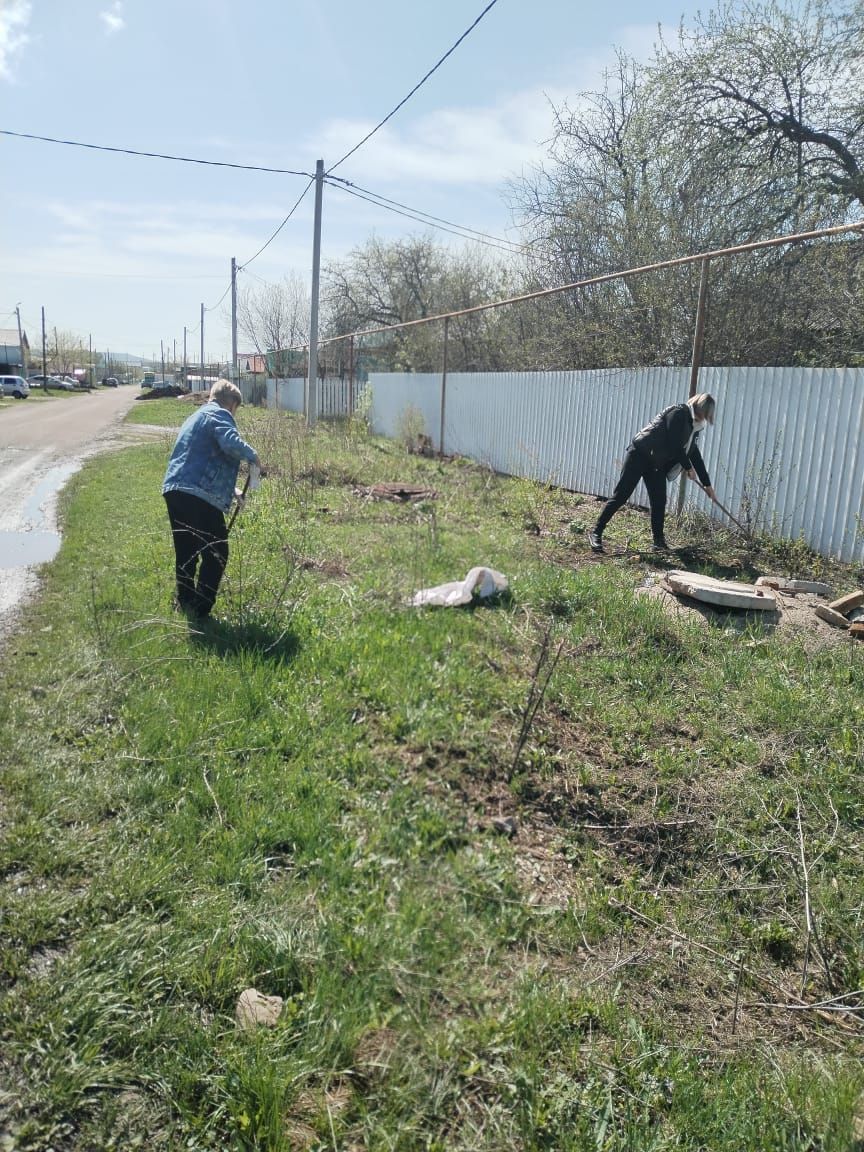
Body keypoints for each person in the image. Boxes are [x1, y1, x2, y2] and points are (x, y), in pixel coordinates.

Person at [162, 379, 260, 618]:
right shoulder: (219, 414)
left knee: (186, 551)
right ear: (231, 404)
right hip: (198, 494)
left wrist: (232, 491)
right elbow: (229, 442)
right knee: (216, 552)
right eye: (235, 409)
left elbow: (202, 458)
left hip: (175, 490)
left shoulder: (196, 417)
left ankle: (186, 602)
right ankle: (201, 609)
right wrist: (253, 457)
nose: (234, 414)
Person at [588, 393, 717, 553]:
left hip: (656, 463)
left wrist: (707, 484)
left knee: (659, 501)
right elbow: (675, 443)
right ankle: (596, 532)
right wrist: (687, 467)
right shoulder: (678, 413)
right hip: (640, 454)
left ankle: (658, 542)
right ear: (698, 408)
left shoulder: (694, 426)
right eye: (703, 414)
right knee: (621, 495)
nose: (703, 418)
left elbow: (694, 453)